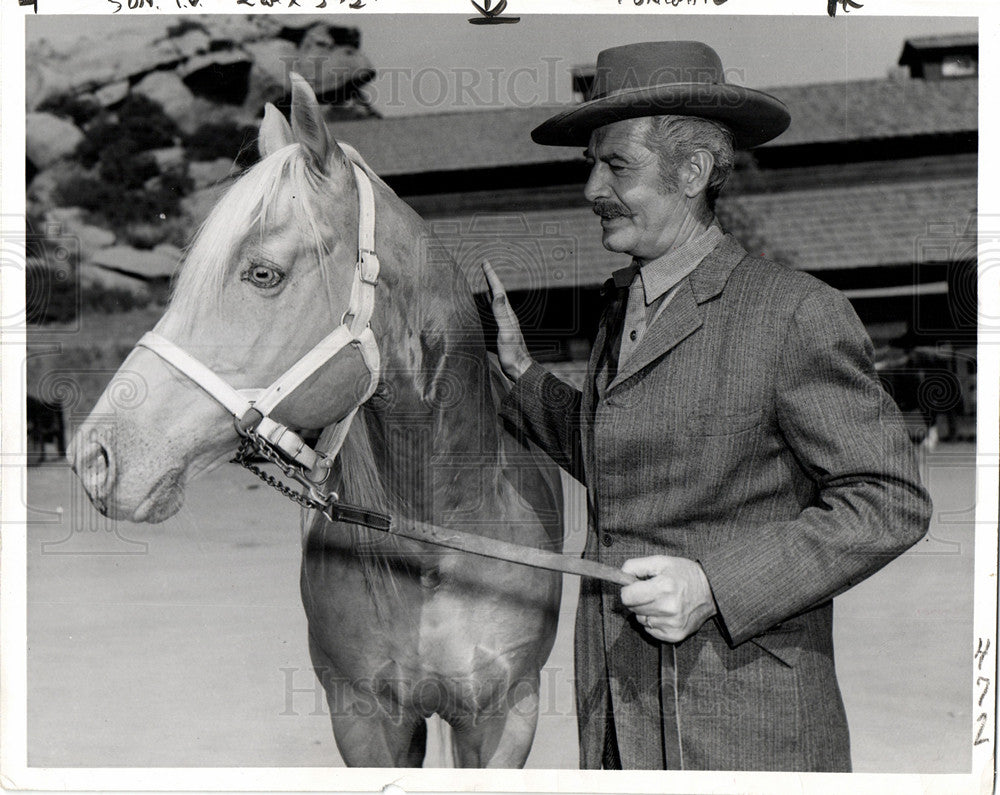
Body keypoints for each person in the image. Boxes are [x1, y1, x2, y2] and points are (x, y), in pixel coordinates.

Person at [482, 41, 933, 772]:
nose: (592, 187)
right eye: (590, 164)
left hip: (745, 733)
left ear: (691, 171)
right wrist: (523, 374)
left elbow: (889, 501)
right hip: (616, 718)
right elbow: (625, 456)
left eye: (616, 165)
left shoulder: (795, 314)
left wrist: (713, 585)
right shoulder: (618, 310)